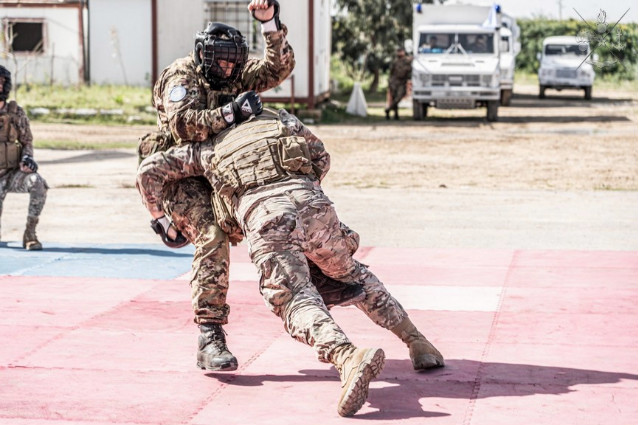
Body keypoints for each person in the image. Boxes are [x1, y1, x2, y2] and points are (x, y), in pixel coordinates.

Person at [137, 108, 445, 417]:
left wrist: (160, 218)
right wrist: (304, 189)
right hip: (314, 204)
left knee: (294, 298)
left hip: (266, 215)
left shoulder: (207, 149)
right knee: (351, 274)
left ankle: (347, 356)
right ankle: (418, 342)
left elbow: (148, 171)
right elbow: (321, 156)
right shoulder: (278, 119)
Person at [137, 0, 364, 373]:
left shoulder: (235, 74)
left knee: (282, 208)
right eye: (220, 61)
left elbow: (278, 68)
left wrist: (269, 23)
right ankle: (209, 336)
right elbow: (182, 125)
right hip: (183, 173)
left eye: (233, 62)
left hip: (228, 166)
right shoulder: (181, 75)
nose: (227, 68)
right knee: (212, 237)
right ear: (202, 56)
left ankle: (319, 277)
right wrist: (230, 113)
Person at [0, 65, 48, 250]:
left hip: (12, 174)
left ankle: (30, 233)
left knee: (38, 183)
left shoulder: (16, 113)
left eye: (1, 82)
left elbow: (27, 141)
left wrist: (27, 160)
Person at [385, 47, 412, 120]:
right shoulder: (395, 61)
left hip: (402, 81)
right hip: (394, 81)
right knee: (394, 97)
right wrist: (390, 82)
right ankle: (396, 114)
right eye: (398, 51)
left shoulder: (407, 60)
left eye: (401, 51)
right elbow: (391, 72)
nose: (399, 53)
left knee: (399, 96)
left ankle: (388, 109)